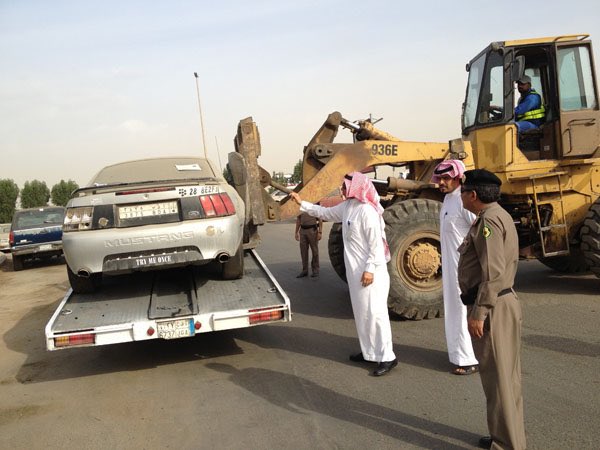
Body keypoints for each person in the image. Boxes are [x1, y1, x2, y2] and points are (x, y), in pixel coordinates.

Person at [289, 172, 397, 376]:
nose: (342, 189)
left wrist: (370, 270)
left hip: (371, 274)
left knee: (376, 315)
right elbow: (325, 213)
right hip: (356, 274)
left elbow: (376, 246)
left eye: (345, 186)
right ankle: (370, 353)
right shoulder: (347, 207)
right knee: (362, 314)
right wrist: (301, 202)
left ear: (356, 188)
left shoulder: (367, 211)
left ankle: (387, 357)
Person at [457, 169, 526, 450]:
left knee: (499, 383)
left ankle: (507, 445)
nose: (460, 196)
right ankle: (505, 436)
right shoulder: (496, 215)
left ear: (473, 195)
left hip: (494, 307)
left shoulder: (489, 222)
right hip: (499, 303)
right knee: (504, 380)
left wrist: (479, 312)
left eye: (462, 191)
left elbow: (493, 273)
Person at [431, 160, 479, 376]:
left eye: (445, 178)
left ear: (458, 177)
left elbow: (480, 226)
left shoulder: (464, 200)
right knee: (453, 309)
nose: (441, 182)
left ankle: (469, 359)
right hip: (450, 266)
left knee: (462, 310)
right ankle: (458, 354)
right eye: (439, 179)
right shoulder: (448, 199)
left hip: (464, 267)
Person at [295, 212, 322, 278]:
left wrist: (320, 232)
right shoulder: (301, 207)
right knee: (303, 251)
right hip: (303, 231)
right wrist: (296, 232)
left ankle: (315, 270)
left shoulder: (314, 206)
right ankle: (305, 270)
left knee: (314, 251)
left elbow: (320, 219)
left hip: (312, 230)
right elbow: (298, 220)